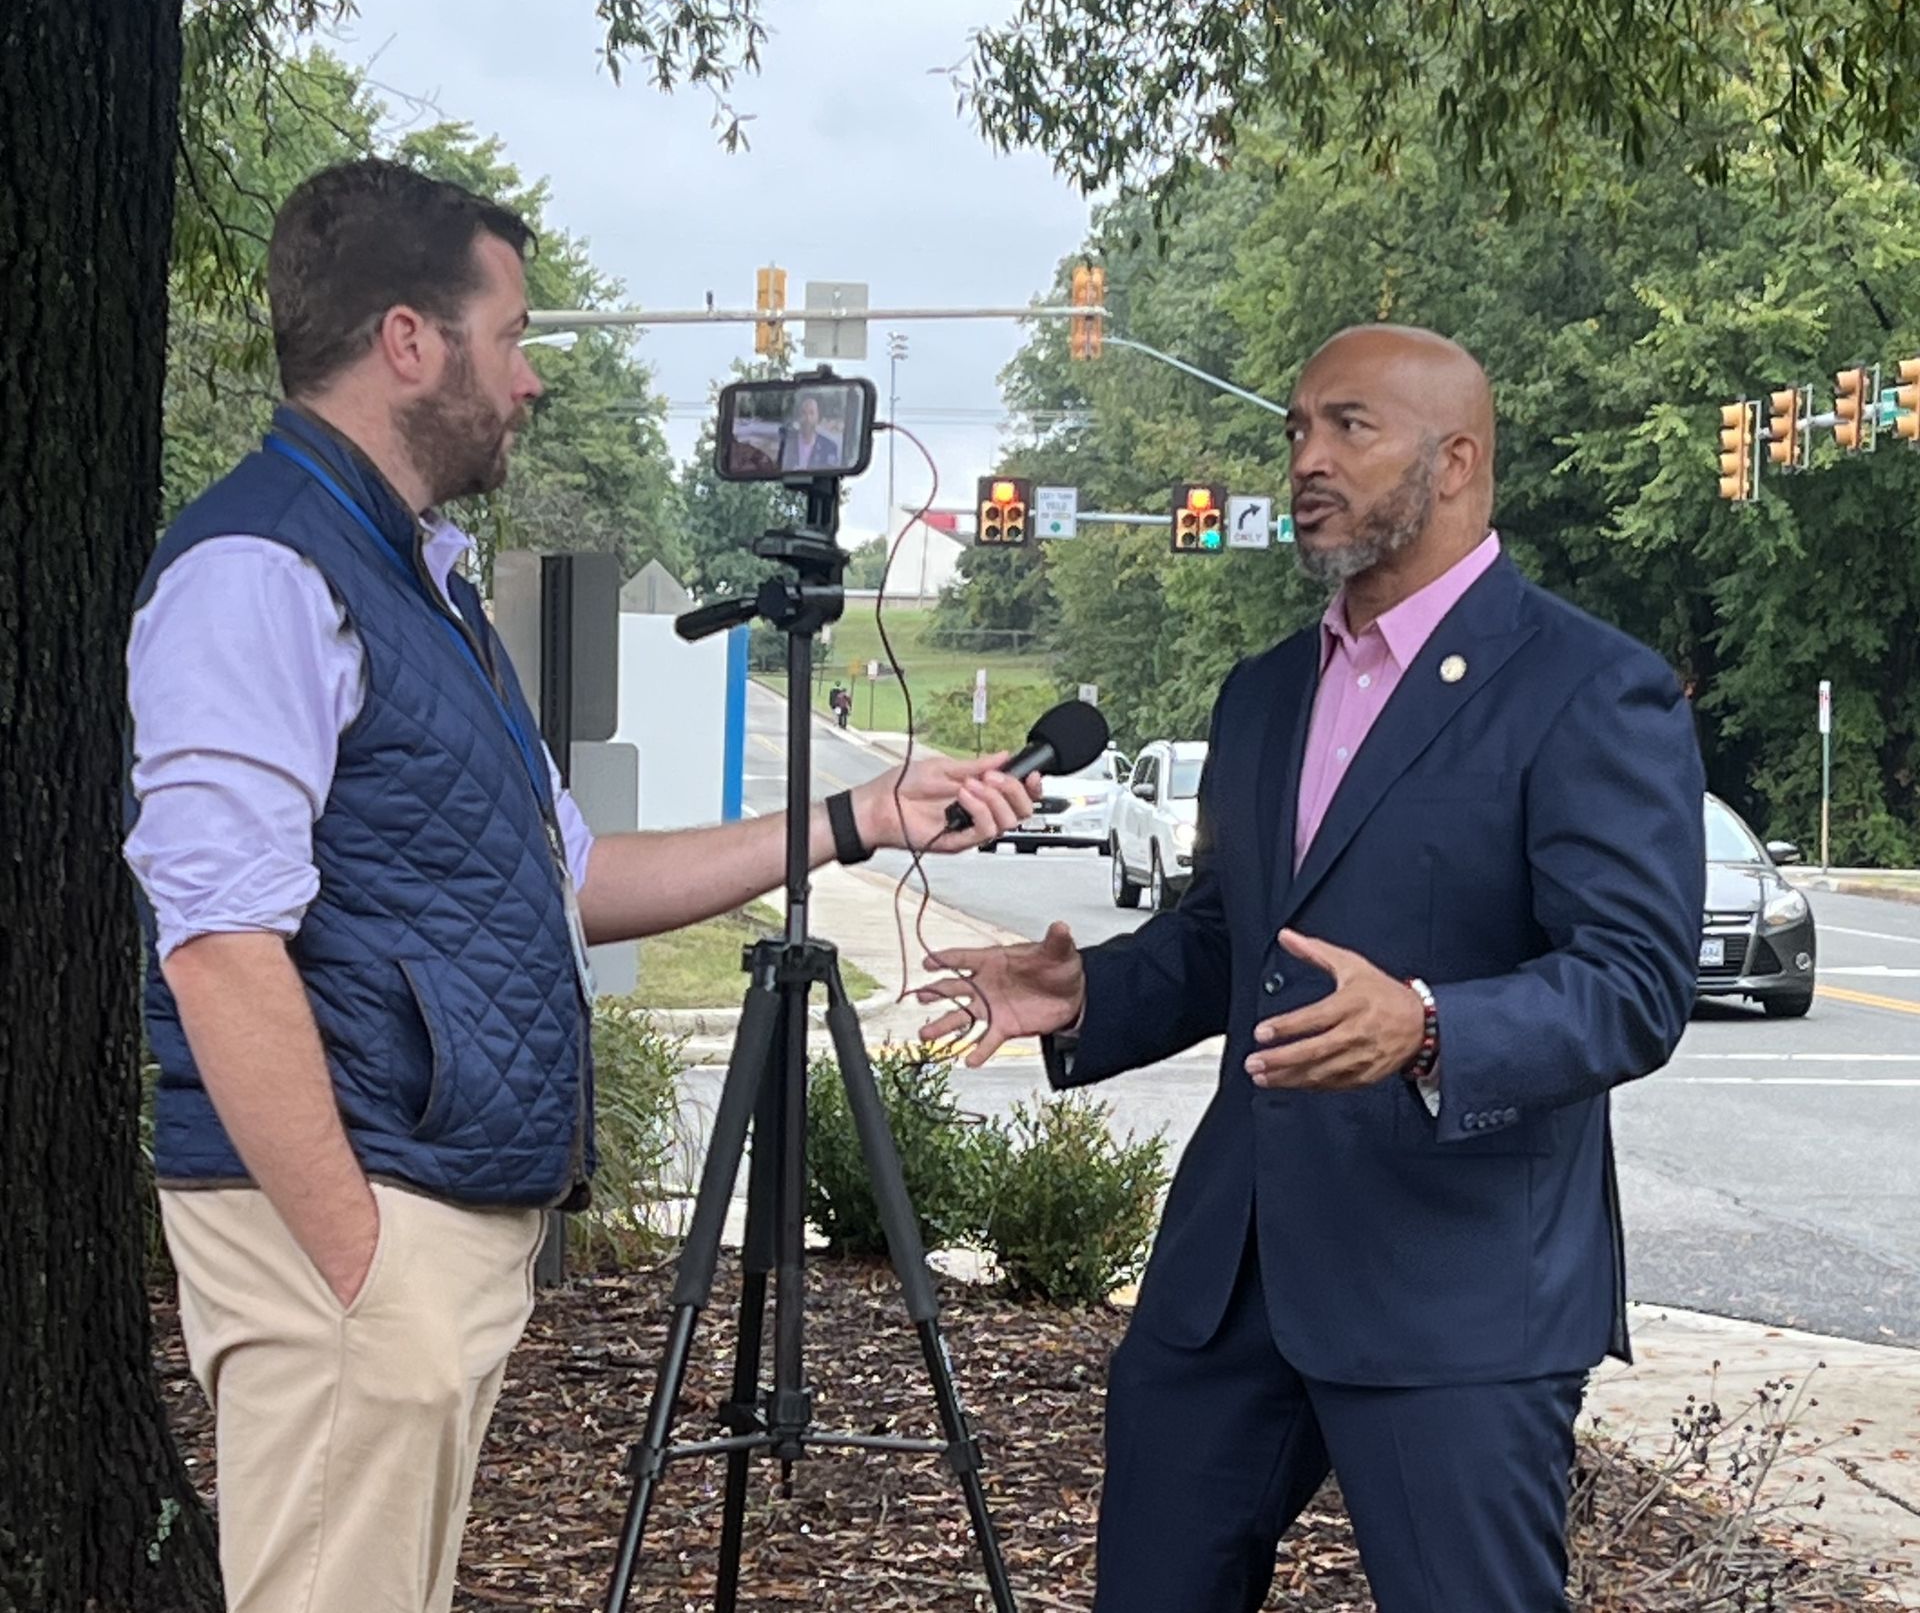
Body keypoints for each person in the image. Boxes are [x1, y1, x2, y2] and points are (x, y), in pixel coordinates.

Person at [123, 158, 1038, 1613]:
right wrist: (363, 1267)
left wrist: (859, 816)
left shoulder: (413, 582)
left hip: (415, 1223)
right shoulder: (262, 571)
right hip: (353, 1234)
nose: (532, 377)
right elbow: (220, 942)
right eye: (512, 336)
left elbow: (581, 874)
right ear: (410, 341)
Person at [919, 324, 1705, 1613]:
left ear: (1456, 462)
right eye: (1296, 428)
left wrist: (1432, 1024)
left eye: (1350, 426)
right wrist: (1090, 993)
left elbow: (1634, 981)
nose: (1306, 459)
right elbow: (1231, 936)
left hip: (1454, 1289)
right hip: (1228, 1280)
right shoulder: (1266, 693)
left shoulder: (1587, 687)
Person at [779, 390, 841, 473]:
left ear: (818, 416)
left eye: (812, 413)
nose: (807, 418)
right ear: (798, 416)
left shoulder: (829, 447)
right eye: (804, 413)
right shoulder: (787, 442)